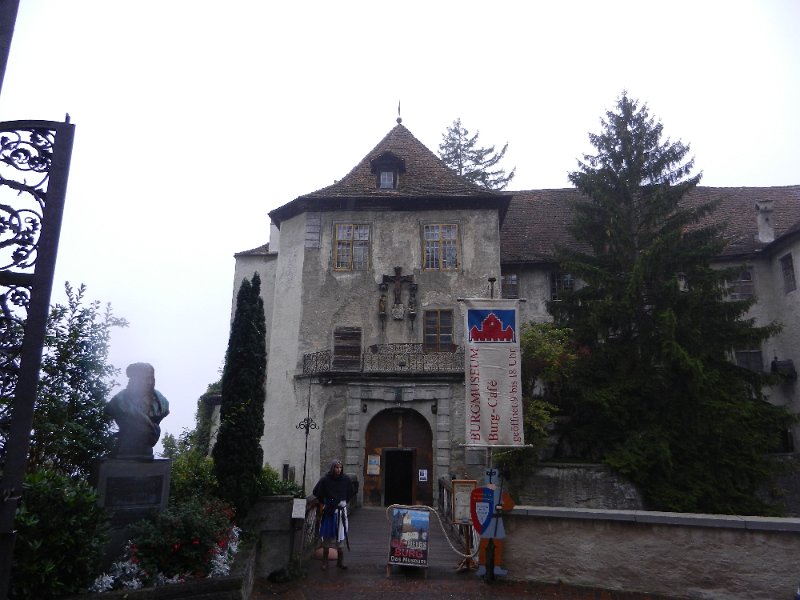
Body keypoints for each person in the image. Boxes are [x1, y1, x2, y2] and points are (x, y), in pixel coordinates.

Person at [105, 362, 169, 458]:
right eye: (146, 379)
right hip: (124, 450)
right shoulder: (118, 401)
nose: (150, 382)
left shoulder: (162, 402)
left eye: (152, 378)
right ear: (135, 380)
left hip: (147, 452)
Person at [312, 459, 353, 570]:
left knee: (340, 536)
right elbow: (317, 492)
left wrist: (343, 502)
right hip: (330, 511)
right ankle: (325, 562)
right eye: (336, 467)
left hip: (341, 511)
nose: (338, 469)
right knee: (327, 536)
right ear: (332, 468)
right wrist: (327, 502)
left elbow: (350, 492)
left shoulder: (345, 479)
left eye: (340, 467)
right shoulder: (325, 480)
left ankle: (340, 561)